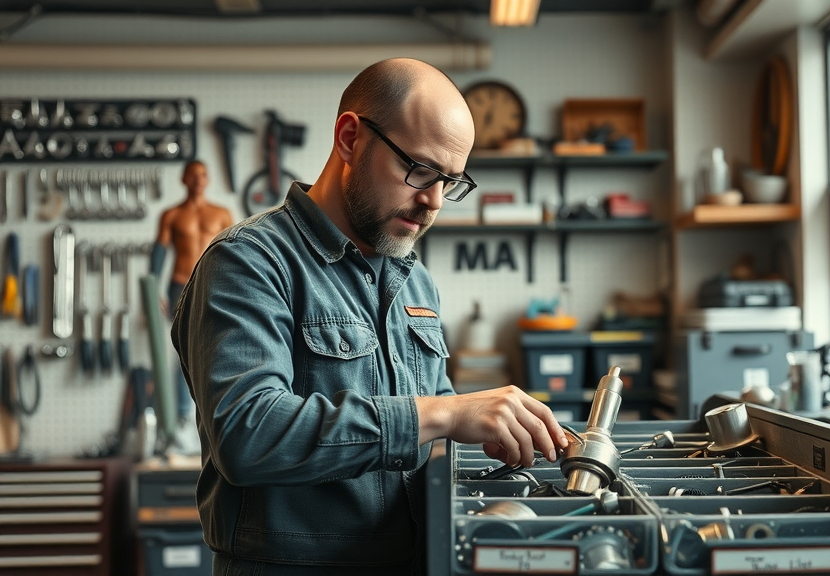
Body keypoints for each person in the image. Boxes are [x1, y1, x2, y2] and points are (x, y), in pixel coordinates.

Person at [171, 58, 568, 576]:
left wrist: (483, 426)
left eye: (450, 182)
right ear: (350, 138)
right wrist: (442, 415)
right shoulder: (248, 262)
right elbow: (248, 434)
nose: (433, 201)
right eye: (420, 170)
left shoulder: (412, 278)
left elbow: (427, 403)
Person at [152, 159, 234, 426]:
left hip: (212, 284)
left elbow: (233, 254)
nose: (199, 180)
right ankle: (183, 416)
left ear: (208, 180)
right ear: (184, 180)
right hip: (179, 285)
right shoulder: (172, 215)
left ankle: (213, 413)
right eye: (193, 175)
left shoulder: (221, 214)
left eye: (204, 175)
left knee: (217, 348)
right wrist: (153, 290)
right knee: (186, 351)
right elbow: (158, 256)